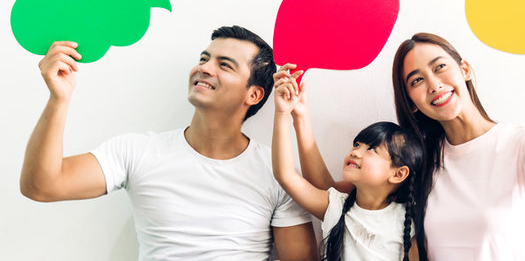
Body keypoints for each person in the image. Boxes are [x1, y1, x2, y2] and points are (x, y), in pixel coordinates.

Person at [19, 26, 318, 261]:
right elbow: (42, 186)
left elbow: (302, 260)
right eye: (204, 59)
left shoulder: (277, 172)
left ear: (253, 95)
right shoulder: (136, 151)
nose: (204, 68)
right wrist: (59, 99)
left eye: (224, 65)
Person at [392, 26, 525, 260]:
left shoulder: (522, 143)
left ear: (464, 69)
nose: (434, 84)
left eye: (440, 67)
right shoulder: (420, 162)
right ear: (412, 103)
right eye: (417, 80)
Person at [271, 64, 424, 261]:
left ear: (397, 174)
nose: (356, 152)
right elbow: (285, 175)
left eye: (371, 149)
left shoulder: (407, 221)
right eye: (356, 145)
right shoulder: (336, 207)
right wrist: (284, 114)